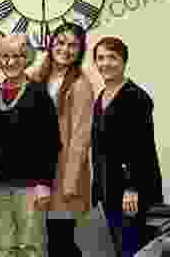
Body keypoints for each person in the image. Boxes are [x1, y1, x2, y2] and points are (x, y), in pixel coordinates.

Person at [0, 34, 62, 257]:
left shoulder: (38, 94)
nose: (11, 62)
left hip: (31, 186)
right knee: (2, 248)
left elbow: (51, 142)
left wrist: (44, 183)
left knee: (31, 248)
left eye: (18, 56)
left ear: (27, 59)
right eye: (5, 56)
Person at [91, 37, 163, 257]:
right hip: (109, 188)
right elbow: (101, 147)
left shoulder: (136, 98)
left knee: (135, 249)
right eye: (100, 58)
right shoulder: (102, 96)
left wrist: (132, 187)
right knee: (122, 247)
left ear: (124, 61)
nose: (106, 63)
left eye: (112, 57)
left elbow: (140, 147)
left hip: (132, 193)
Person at [33, 22, 94, 257]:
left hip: (64, 176)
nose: (65, 49)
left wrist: (70, 184)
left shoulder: (80, 85)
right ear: (51, 44)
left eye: (73, 45)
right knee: (43, 241)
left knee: (62, 242)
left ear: (80, 51)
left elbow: (81, 137)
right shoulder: (39, 77)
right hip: (41, 172)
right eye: (60, 43)